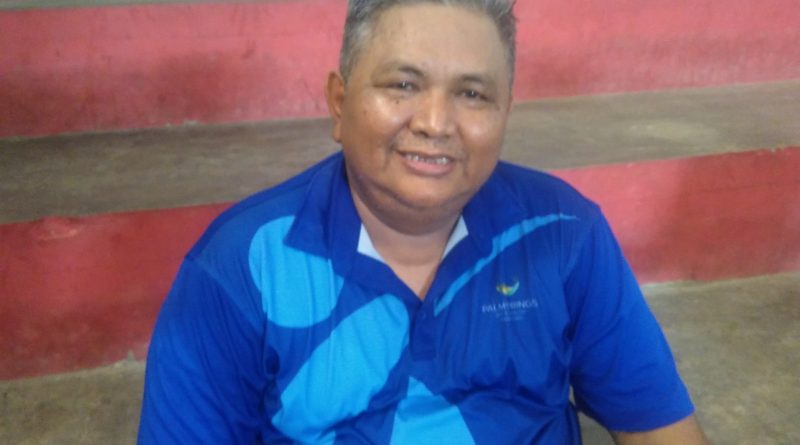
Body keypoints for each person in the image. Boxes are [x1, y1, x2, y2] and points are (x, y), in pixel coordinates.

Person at [138, 1, 710, 443]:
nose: (436, 123)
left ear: (505, 113)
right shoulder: (242, 268)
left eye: (472, 93)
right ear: (339, 103)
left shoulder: (564, 234)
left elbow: (657, 427)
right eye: (403, 85)